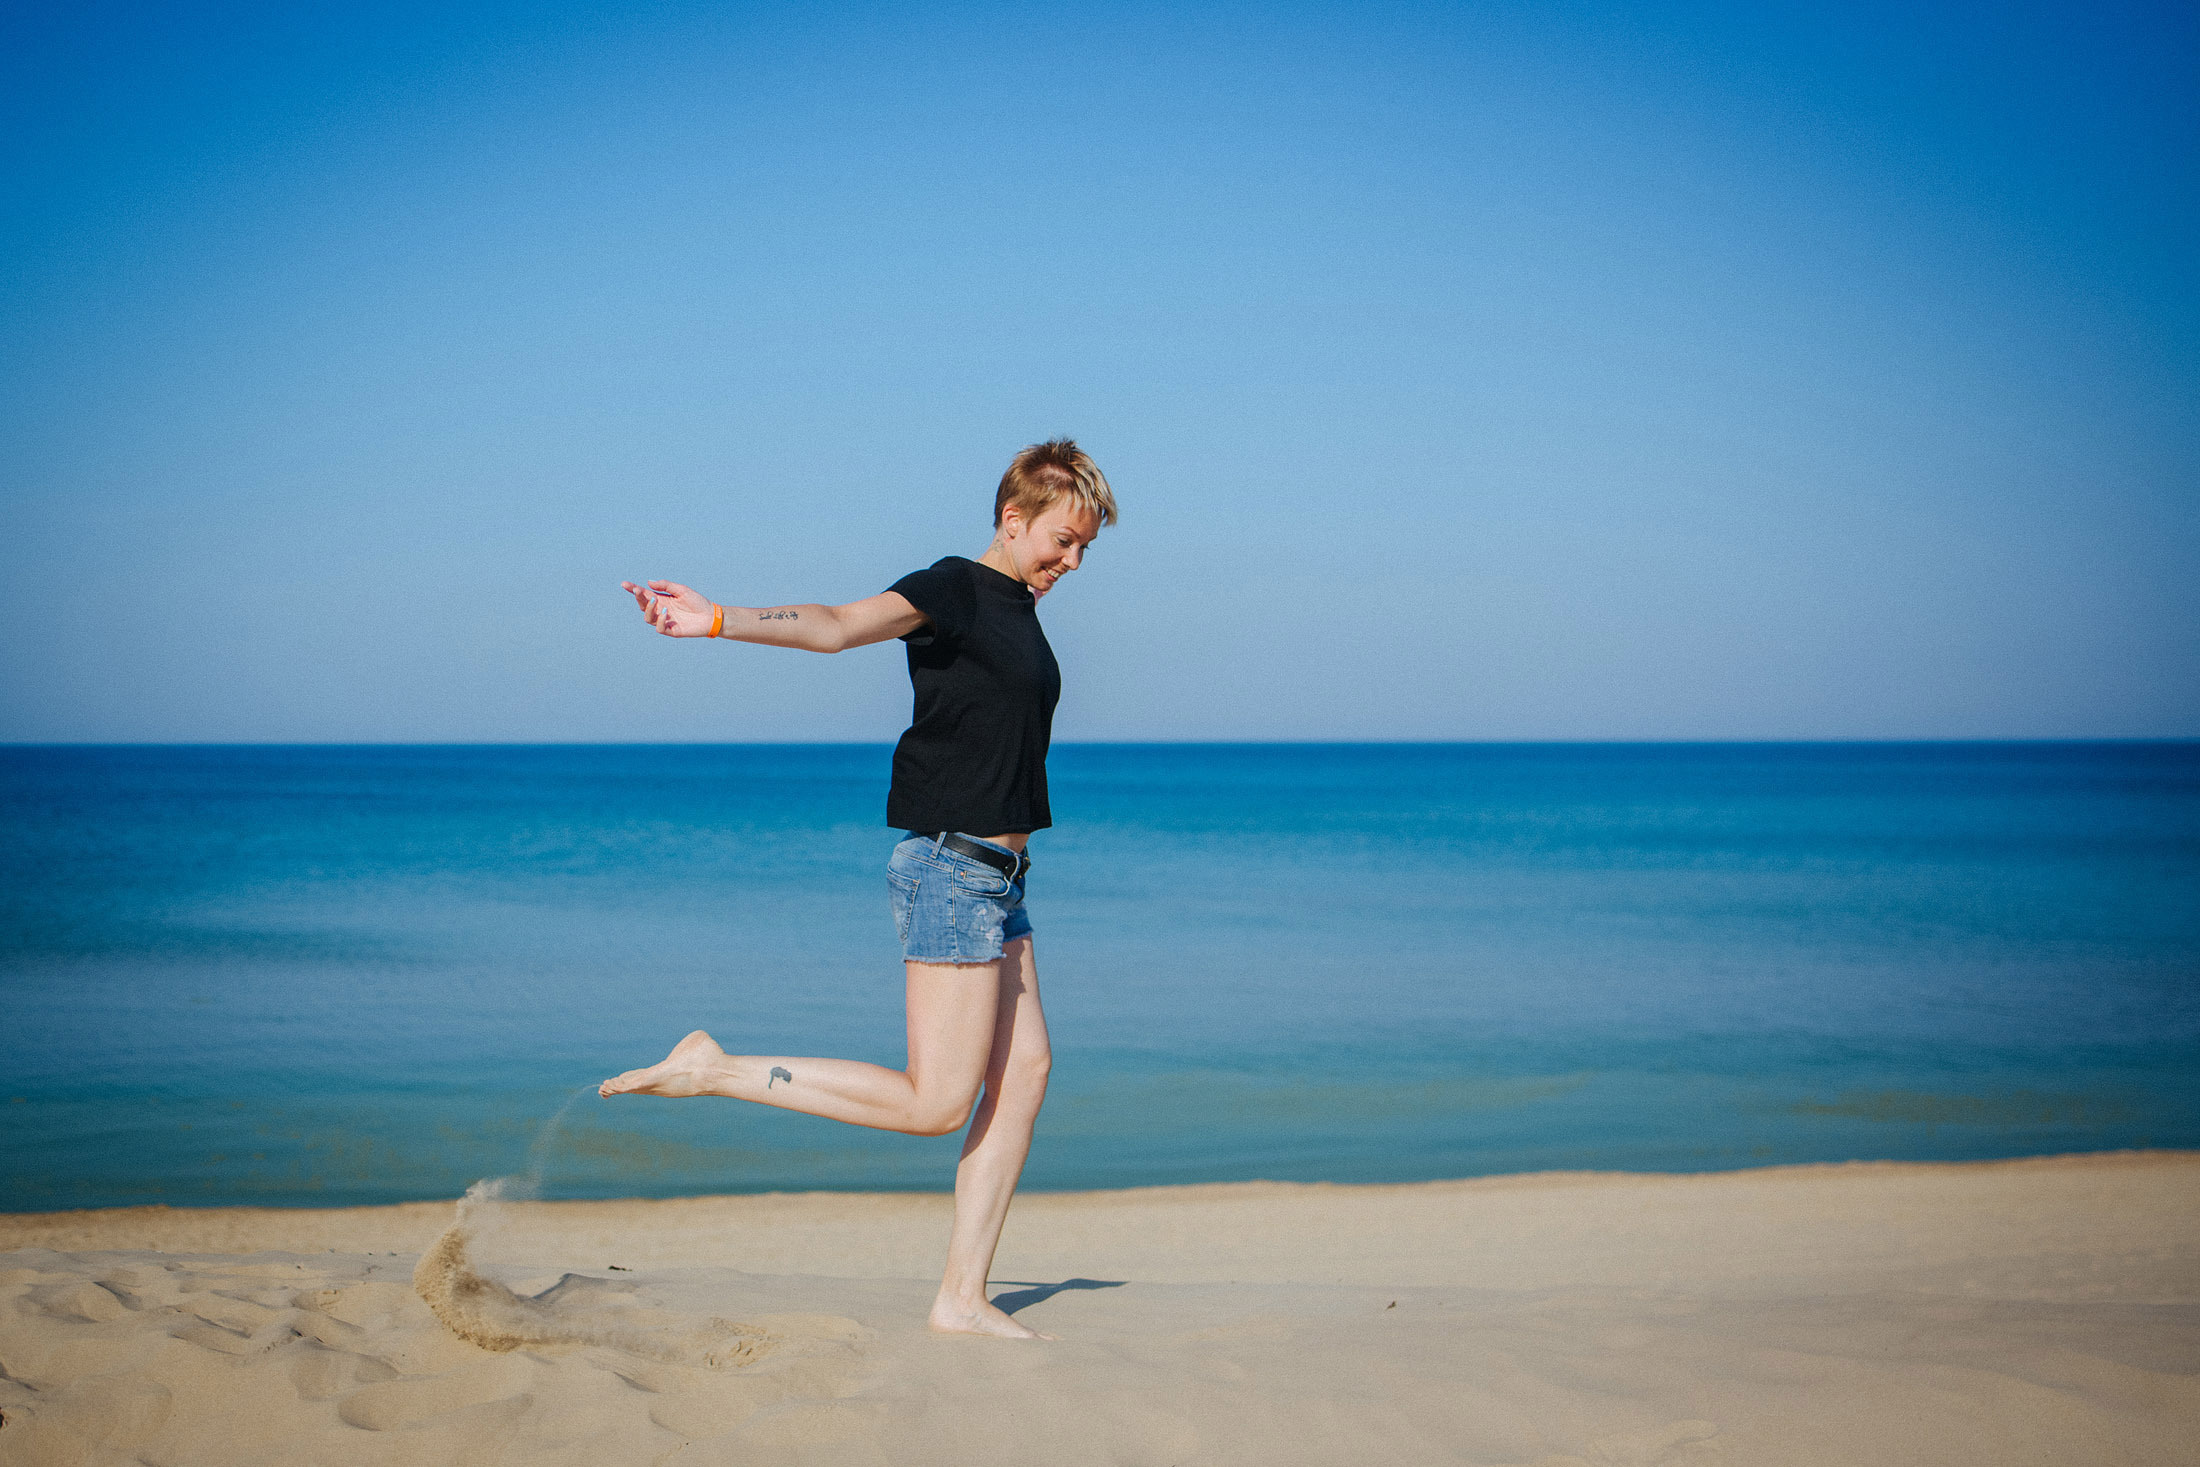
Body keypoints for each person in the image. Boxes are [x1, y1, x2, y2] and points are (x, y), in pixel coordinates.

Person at [599, 439, 1116, 1339]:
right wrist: (719, 618)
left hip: (999, 881)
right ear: (1013, 518)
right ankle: (714, 1067)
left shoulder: (1018, 610)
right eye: (1062, 541)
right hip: (952, 868)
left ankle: (961, 1296)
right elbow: (836, 623)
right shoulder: (954, 586)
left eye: (1083, 550)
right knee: (936, 1103)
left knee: (1025, 1071)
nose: (1070, 562)